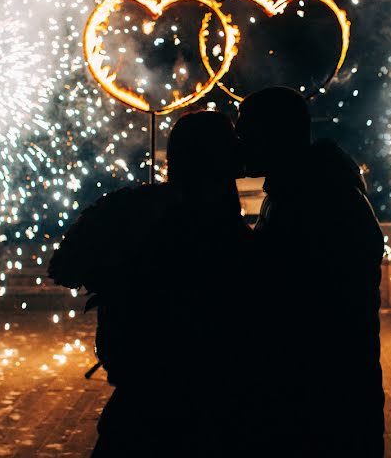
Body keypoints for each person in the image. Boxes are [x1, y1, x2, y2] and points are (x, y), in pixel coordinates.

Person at [49, 110, 251, 457]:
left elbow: (65, 268)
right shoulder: (231, 233)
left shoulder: (132, 208)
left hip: (148, 398)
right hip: (205, 402)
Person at [236, 87, 385, 457]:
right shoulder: (309, 190)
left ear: (274, 135)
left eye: (246, 132)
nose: (239, 143)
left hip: (322, 403)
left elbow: (282, 298)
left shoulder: (310, 201)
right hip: (331, 396)